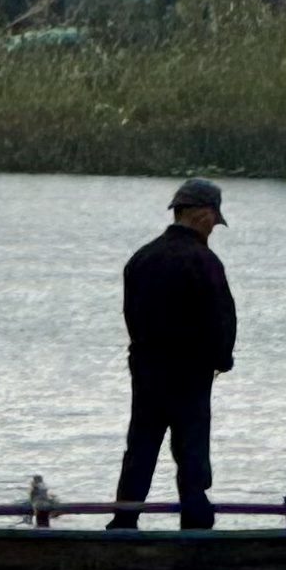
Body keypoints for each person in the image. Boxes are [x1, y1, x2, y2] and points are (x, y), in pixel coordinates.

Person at [109, 178, 236, 531]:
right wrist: (221, 360)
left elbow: (131, 316)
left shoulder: (141, 259)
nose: (214, 227)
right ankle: (195, 521)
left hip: (147, 369)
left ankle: (124, 520)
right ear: (204, 215)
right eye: (214, 219)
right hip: (190, 374)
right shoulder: (204, 261)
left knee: (141, 445)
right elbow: (221, 319)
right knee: (192, 449)